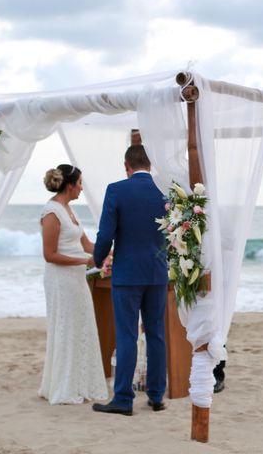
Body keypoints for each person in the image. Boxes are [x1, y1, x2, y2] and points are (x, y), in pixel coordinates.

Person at [92, 145, 168, 416]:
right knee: (156, 334)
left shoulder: (116, 190)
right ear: (150, 164)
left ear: (127, 165)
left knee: (127, 336)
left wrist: (97, 260)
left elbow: (105, 234)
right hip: (158, 273)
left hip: (127, 275)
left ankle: (123, 398)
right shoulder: (166, 192)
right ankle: (157, 395)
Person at [39, 164, 108, 404]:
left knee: (82, 326)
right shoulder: (52, 212)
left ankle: (80, 382)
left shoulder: (68, 209)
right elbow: (49, 255)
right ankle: (63, 387)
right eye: (79, 183)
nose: (81, 188)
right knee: (66, 328)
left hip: (76, 278)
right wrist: (85, 262)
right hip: (61, 280)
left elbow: (87, 244)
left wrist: (108, 254)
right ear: (69, 185)